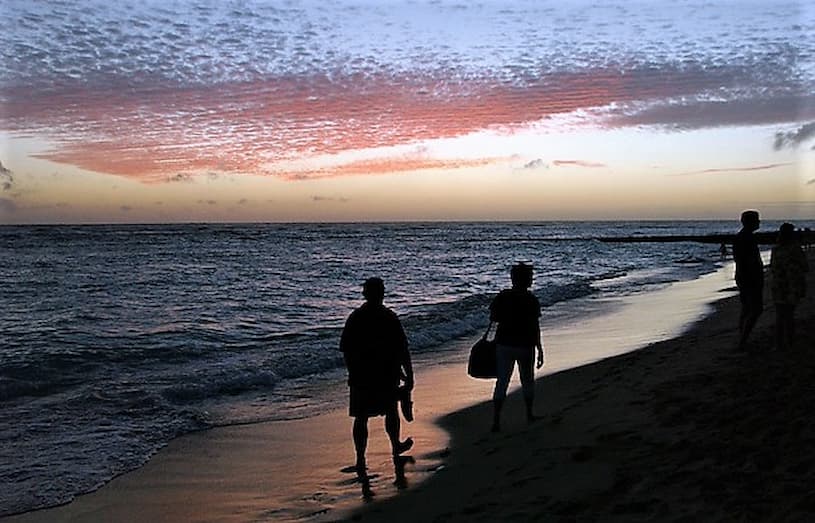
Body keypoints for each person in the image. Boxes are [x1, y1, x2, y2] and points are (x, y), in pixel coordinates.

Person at [339, 277, 414, 496]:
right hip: (386, 374)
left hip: (362, 375)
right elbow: (403, 350)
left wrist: (352, 372)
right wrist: (409, 376)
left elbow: (345, 349)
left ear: (364, 294)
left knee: (361, 417)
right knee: (390, 412)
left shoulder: (356, 317)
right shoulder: (389, 317)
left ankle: (360, 457)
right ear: (382, 294)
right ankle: (395, 447)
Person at [488, 262, 544, 432]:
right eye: (530, 277)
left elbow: (493, 318)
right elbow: (535, 326)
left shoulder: (503, 296)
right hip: (525, 345)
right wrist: (540, 348)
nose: (532, 280)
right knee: (527, 380)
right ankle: (529, 414)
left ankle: (496, 421)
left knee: (502, 382)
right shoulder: (531, 299)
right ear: (526, 280)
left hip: (504, 343)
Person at [770, 223, 809, 351]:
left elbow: (773, 267)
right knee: (789, 315)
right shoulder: (795, 249)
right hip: (792, 284)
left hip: (779, 284)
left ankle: (779, 343)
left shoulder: (775, 249)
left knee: (780, 315)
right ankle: (789, 342)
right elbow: (805, 266)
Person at [732, 210, 764, 351]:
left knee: (746, 308)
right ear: (751, 222)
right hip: (749, 278)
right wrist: (756, 277)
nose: (759, 222)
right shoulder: (747, 238)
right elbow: (750, 261)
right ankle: (743, 340)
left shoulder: (741, 237)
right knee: (756, 309)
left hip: (742, 276)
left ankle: (742, 338)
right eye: (757, 220)